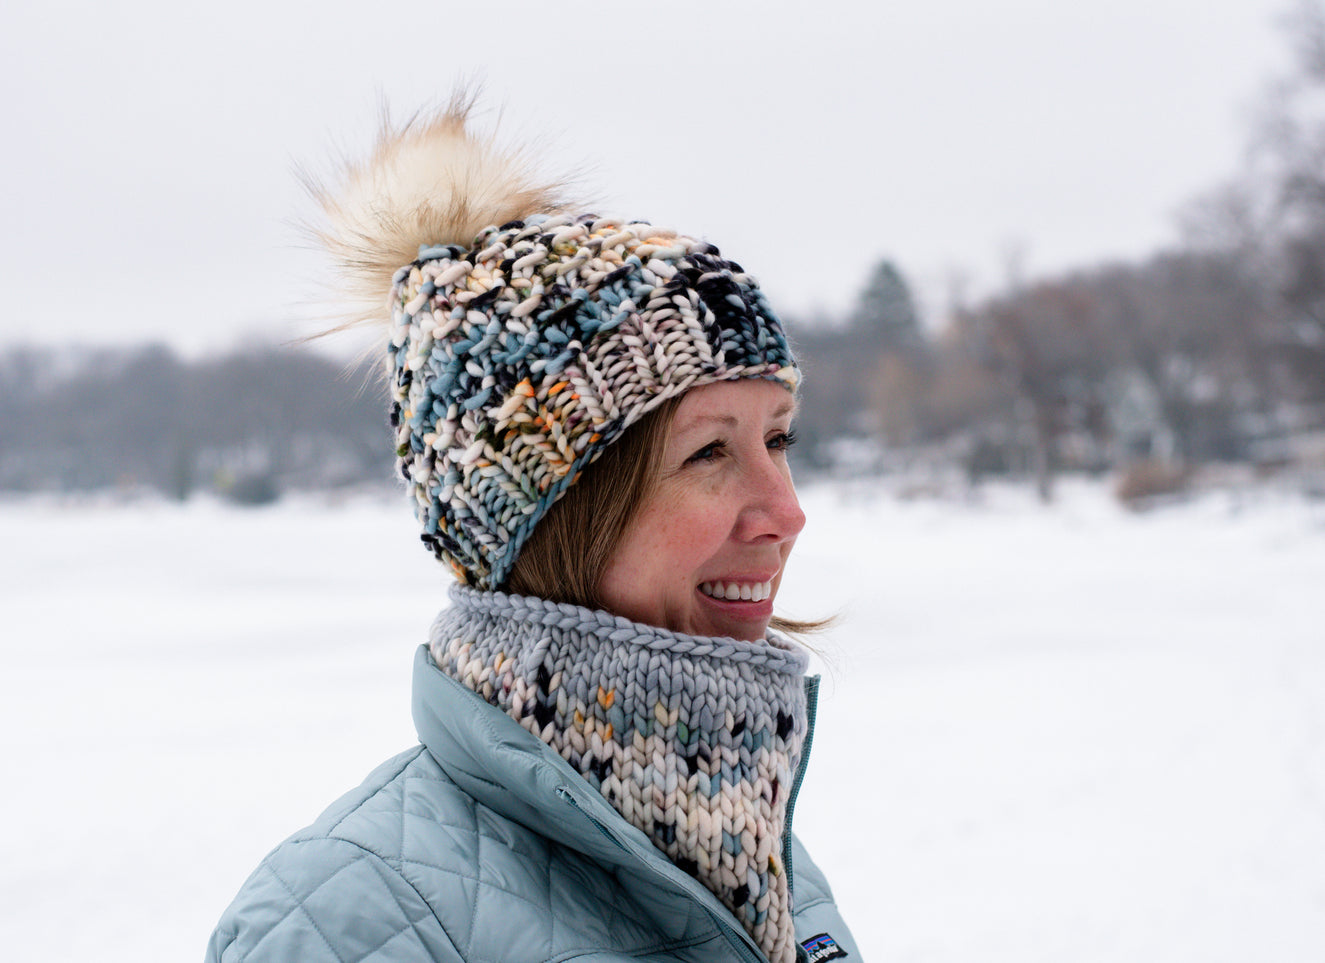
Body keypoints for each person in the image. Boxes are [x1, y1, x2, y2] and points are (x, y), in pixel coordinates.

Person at [205, 96, 863, 963]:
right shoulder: (347, 913)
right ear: (552, 513)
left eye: (777, 438)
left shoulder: (753, 852)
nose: (786, 511)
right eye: (708, 452)